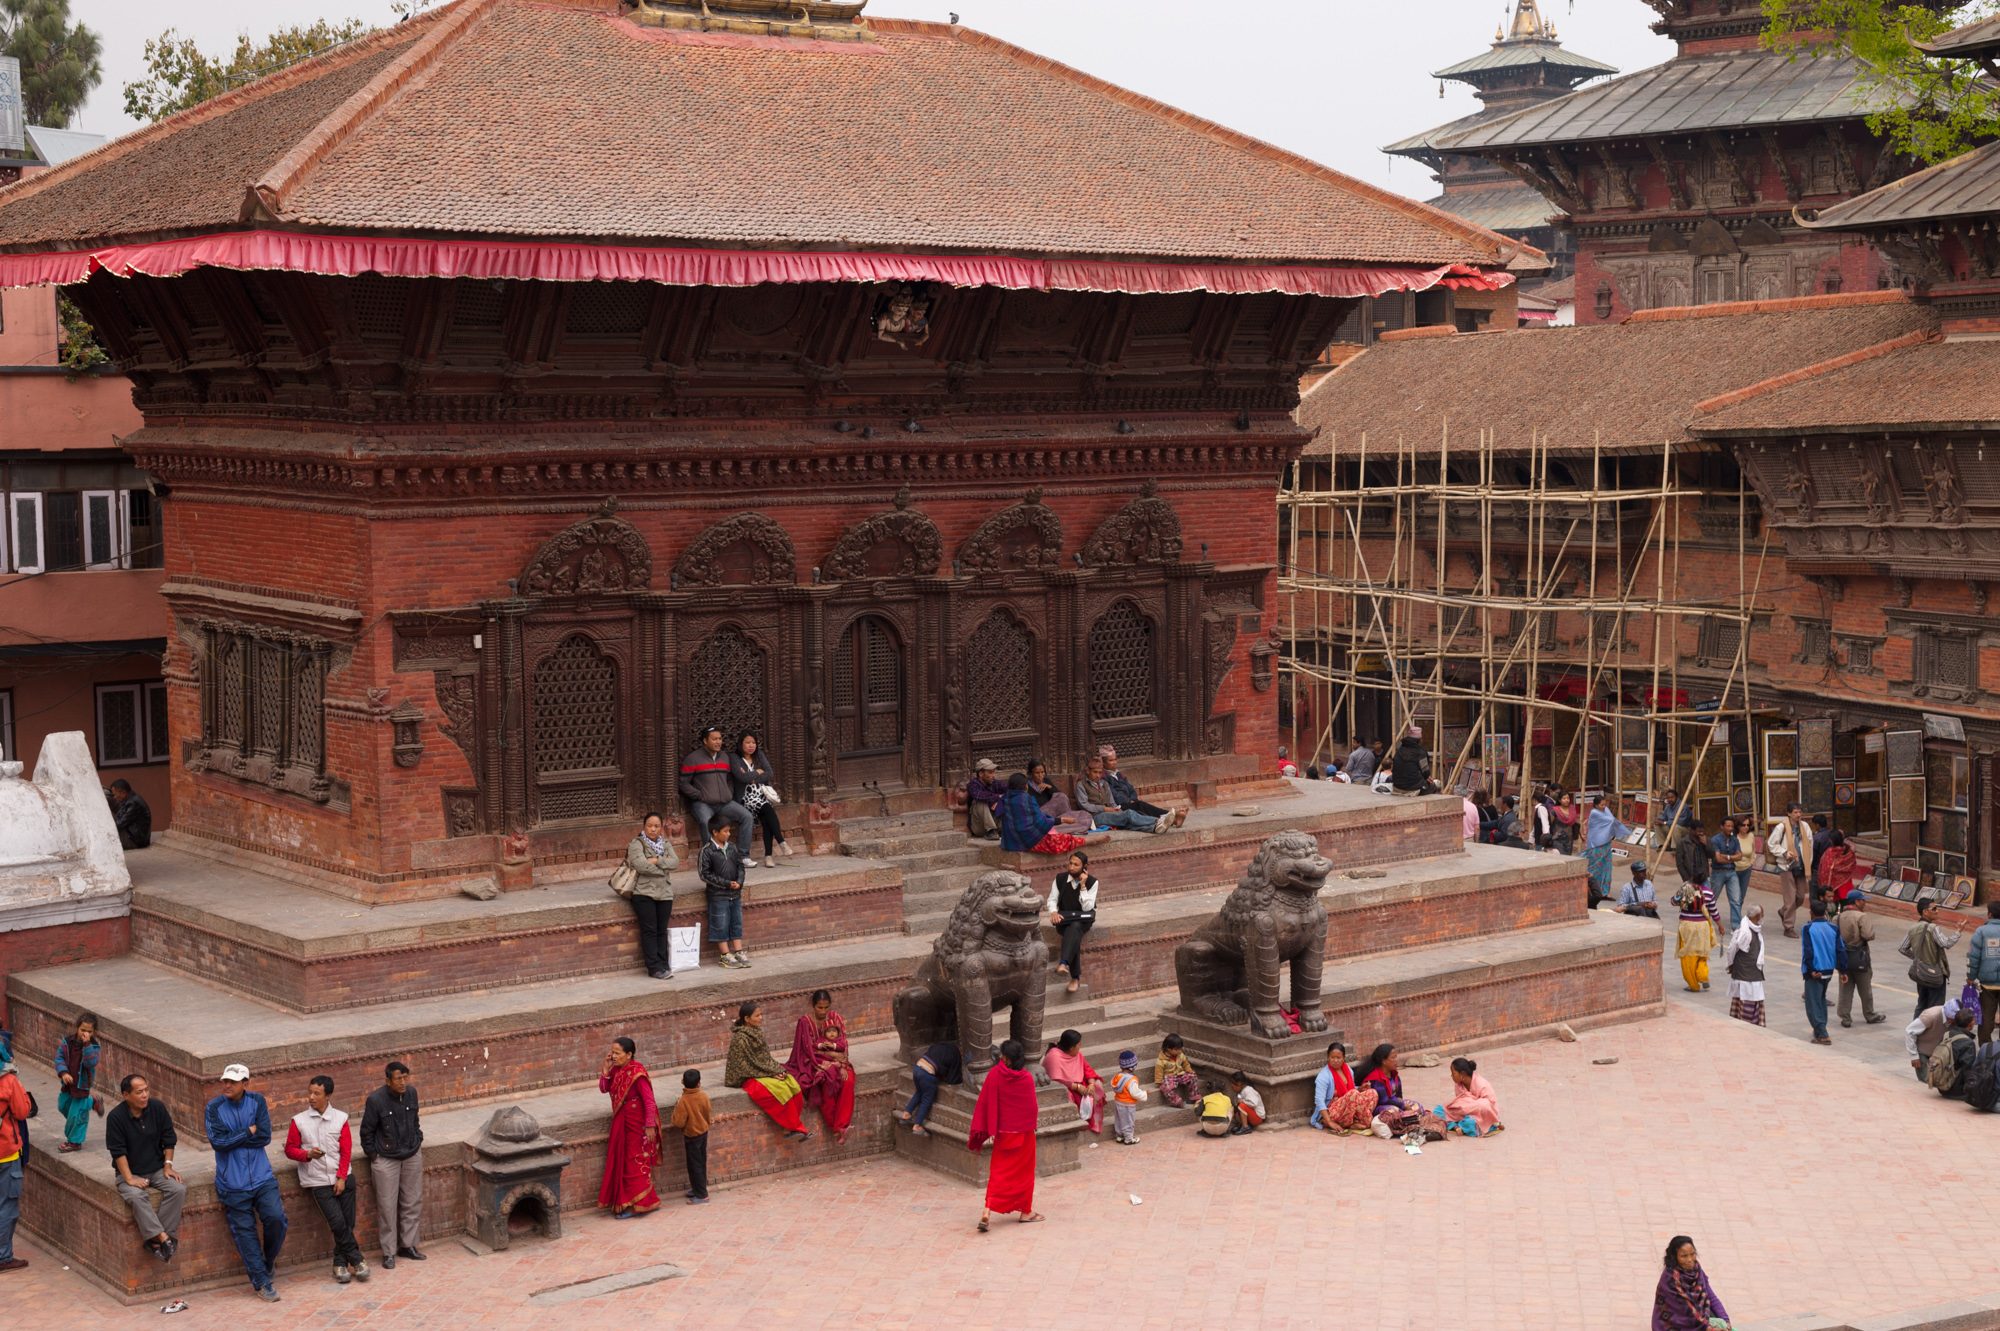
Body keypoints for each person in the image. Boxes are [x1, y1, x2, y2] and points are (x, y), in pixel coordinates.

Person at [207, 1064, 287, 1302]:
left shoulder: (257, 1101)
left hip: (262, 1177)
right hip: (232, 1183)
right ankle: (262, 1281)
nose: (227, 1085)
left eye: (233, 1082)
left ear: (245, 1083)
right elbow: (218, 1143)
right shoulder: (214, 1107)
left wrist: (240, 1136)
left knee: (276, 1219)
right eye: (225, 1081)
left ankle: (267, 1262)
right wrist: (248, 1131)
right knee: (245, 1234)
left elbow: (264, 1136)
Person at [285, 1074, 367, 1284]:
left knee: (348, 1223)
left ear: (328, 1095)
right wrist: (307, 1155)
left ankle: (339, 1265)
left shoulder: (341, 1118)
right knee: (338, 1223)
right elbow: (290, 1150)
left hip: (343, 1178)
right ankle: (357, 1260)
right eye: (310, 1092)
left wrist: (341, 1177)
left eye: (317, 1093)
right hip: (318, 1181)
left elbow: (346, 1152)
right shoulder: (299, 1121)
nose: (311, 1097)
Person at [105, 1073, 184, 1264]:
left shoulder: (157, 1108)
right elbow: (118, 1151)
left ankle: (156, 1240)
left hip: (156, 1168)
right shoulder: (116, 1117)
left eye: (147, 1090)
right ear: (126, 1095)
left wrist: (168, 1165)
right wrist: (130, 1178)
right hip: (129, 1172)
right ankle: (164, 1238)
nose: (145, 1095)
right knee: (136, 1196)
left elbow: (169, 1138)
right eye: (139, 1092)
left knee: (178, 1189)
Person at [968, 1039, 1042, 1229]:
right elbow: (1031, 1107)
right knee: (1024, 1173)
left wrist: (990, 1128)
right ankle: (1026, 1211)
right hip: (1024, 1133)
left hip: (1003, 1133)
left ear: (1007, 1059)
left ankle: (987, 1209)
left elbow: (986, 1101)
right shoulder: (1025, 1078)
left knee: (999, 1172)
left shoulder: (995, 1074)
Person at [360, 1060, 424, 1268]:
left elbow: (415, 1121)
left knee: (412, 1202)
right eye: (399, 1078)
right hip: (386, 1158)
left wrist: (418, 1138)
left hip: (411, 1154)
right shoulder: (376, 1100)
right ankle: (389, 1252)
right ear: (388, 1080)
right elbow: (366, 1132)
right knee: (387, 1207)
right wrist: (374, 1156)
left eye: (406, 1077)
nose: (403, 1082)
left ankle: (409, 1245)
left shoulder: (412, 1093)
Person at [724, 1001, 809, 1142]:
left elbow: (764, 1058)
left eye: (761, 1014)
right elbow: (745, 1065)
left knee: (791, 1082)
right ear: (747, 1019)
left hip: (760, 1071)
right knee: (779, 1089)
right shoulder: (740, 1038)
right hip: (746, 1075)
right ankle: (793, 1127)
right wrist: (771, 1073)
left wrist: (777, 1071)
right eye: (757, 1015)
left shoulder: (757, 1032)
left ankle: (791, 1126)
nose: (761, 1018)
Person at [596, 1036, 661, 1218]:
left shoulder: (637, 1072)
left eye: (617, 1053)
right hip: (620, 1121)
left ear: (629, 1054)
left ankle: (638, 1203)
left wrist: (649, 1125)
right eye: (612, 1053)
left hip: (636, 1123)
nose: (614, 1056)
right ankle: (624, 1201)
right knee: (620, 1160)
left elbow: (649, 1101)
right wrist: (605, 1070)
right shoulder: (616, 1070)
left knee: (635, 1161)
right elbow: (604, 1088)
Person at [784, 990, 855, 1144]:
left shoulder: (835, 1018)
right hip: (815, 1063)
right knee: (826, 1084)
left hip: (838, 1061)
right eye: (819, 1008)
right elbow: (806, 1050)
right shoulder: (805, 1022)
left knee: (848, 1081)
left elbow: (844, 1044)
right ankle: (836, 1127)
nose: (823, 1011)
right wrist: (826, 1061)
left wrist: (841, 1064)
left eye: (826, 1008)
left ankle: (841, 1125)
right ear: (813, 1005)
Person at [678, 725, 752, 846]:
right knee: (705, 821)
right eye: (714, 739)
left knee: (747, 817)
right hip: (703, 803)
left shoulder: (725, 757)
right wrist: (699, 795)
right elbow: (683, 783)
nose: (718, 742)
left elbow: (729, 778)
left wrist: (728, 792)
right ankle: (711, 856)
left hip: (725, 803)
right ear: (705, 741)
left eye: (720, 739)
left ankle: (743, 855)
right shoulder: (693, 759)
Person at [1351, 1043, 1444, 1139]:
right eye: (1393, 1058)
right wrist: (1402, 1105)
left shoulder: (1394, 1075)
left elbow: (1399, 1096)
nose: (1396, 1060)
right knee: (1396, 1111)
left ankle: (1412, 1122)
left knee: (1417, 1106)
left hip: (1395, 1103)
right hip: (1379, 1107)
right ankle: (1409, 1125)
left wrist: (1404, 1104)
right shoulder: (1375, 1078)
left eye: (1396, 1057)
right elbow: (1384, 1100)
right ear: (1384, 1061)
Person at [625, 812, 677, 981]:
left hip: (665, 894)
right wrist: (663, 867)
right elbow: (641, 866)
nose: (653, 829)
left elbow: (675, 862)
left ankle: (663, 964)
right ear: (644, 826)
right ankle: (653, 967)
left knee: (661, 930)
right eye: (650, 826)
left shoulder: (665, 843)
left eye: (656, 826)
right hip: (644, 893)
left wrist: (656, 860)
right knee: (650, 930)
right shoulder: (636, 844)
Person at [999, 772, 1102, 856]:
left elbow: (1000, 814)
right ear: (1025, 786)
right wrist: (1061, 821)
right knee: (1059, 840)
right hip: (1028, 841)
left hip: (1010, 842)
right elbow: (1040, 821)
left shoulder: (1005, 799)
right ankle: (1087, 841)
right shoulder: (1027, 799)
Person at [730, 731, 791, 867]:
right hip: (745, 797)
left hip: (761, 794)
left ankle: (769, 856)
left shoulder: (759, 755)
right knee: (767, 809)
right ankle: (781, 841)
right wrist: (757, 771)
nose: (751, 746)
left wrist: (751, 776)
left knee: (767, 820)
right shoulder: (734, 758)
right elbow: (741, 778)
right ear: (740, 744)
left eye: (753, 743)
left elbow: (769, 773)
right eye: (747, 742)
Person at [698, 819, 751, 969]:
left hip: (735, 893)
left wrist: (739, 881)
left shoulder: (732, 848)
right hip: (718, 895)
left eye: (729, 831)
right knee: (720, 923)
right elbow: (704, 874)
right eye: (725, 831)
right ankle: (725, 954)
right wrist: (726, 883)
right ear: (715, 832)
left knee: (736, 922)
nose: (729, 834)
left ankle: (738, 950)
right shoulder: (707, 850)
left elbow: (740, 866)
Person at [1074, 755, 1169, 834]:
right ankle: (1157, 821)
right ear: (1088, 771)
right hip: (1095, 817)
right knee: (1128, 814)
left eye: (1100, 773)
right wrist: (1104, 808)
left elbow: (1111, 802)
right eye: (1095, 772)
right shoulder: (1081, 785)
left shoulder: (1104, 784)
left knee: (1127, 822)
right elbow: (1084, 805)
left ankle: (1153, 828)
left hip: (1109, 812)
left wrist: (1116, 809)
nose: (1098, 775)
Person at [1047, 852, 1099, 995]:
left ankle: (1065, 964)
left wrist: (1083, 886)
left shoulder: (1093, 882)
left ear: (1085, 867)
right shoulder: (1060, 879)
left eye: (1076, 864)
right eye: (1070, 863)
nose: (1071, 867)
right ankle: (1073, 976)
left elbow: (1088, 908)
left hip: (1083, 920)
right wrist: (1053, 912)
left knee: (1075, 928)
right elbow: (1052, 899)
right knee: (1073, 931)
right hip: (1064, 919)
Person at [1652, 1235, 1729, 1331]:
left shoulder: (1696, 1270)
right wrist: (1709, 1329)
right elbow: (1687, 1312)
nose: (1689, 1260)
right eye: (1684, 1256)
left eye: (1692, 1254)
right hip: (1676, 1323)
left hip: (1698, 1318)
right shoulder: (1671, 1279)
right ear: (1674, 1257)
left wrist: (1726, 1320)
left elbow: (1710, 1296)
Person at [0, 1032, 30, 1275]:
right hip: (6, 1152)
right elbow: (21, 1111)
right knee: (7, 1206)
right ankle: (3, 1257)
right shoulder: (8, 1081)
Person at [1902, 897, 1961, 1017]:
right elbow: (1946, 943)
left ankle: (1915, 1030)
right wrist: (1958, 932)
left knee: (1921, 1004)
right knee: (1936, 1007)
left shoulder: (1913, 928)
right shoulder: (1933, 928)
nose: (1937, 911)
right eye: (1934, 908)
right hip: (1935, 973)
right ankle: (1931, 1032)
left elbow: (1903, 948)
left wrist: (1917, 958)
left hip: (1921, 972)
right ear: (1925, 911)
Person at [1101, 746, 1186, 829]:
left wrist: (1133, 799)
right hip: (1120, 805)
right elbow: (1113, 794)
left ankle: (1174, 819)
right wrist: (1128, 801)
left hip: (1130, 801)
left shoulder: (1118, 774)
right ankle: (1174, 815)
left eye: (1115, 759)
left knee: (1142, 807)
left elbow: (1131, 788)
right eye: (1111, 760)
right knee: (1141, 806)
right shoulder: (1103, 777)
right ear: (1103, 762)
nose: (1114, 762)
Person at [1800, 900, 1846, 1046]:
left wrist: (1812, 970)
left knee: (1813, 1003)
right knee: (1821, 1000)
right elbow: (1840, 950)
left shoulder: (1808, 928)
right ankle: (1820, 1029)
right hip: (1828, 971)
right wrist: (1843, 970)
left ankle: (1822, 1034)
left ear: (1811, 912)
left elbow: (1808, 951)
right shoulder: (1833, 928)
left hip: (1815, 971)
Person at [54, 1011, 101, 1153]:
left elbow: (90, 1062)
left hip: (82, 1086)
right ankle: (92, 1102)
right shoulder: (67, 1042)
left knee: (77, 1115)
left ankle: (75, 1141)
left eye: (89, 1031)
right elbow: (59, 1058)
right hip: (68, 1085)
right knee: (63, 1106)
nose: (85, 1034)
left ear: (94, 1032)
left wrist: (87, 1044)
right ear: (77, 1028)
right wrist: (63, 1072)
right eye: (82, 1030)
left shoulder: (94, 1047)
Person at [1836, 893, 1885, 1029]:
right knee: (1865, 988)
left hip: (1843, 958)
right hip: (1860, 958)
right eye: (1863, 901)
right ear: (1857, 902)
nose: (1865, 903)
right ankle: (1869, 1014)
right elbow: (1868, 935)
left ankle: (1845, 1017)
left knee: (1845, 988)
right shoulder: (1862, 917)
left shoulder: (1838, 917)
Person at [1765, 802, 1815, 938]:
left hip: (1801, 866)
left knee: (1800, 896)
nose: (1798, 815)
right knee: (1790, 898)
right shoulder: (1781, 827)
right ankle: (1788, 927)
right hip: (1786, 866)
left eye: (1800, 812)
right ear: (1789, 813)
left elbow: (1810, 845)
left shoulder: (1805, 826)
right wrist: (1785, 852)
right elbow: (1771, 844)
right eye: (1795, 812)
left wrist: (1807, 863)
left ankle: (1783, 911)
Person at [1041, 1029, 1104, 1134]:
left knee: (1098, 1087)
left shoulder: (1076, 1054)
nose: (1080, 1047)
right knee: (1068, 1097)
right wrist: (1077, 1087)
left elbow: (1087, 1069)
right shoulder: (1054, 1056)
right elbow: (1056, 1080)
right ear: (1071, 1048)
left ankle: (1095, 1123)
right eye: (1078, 1045)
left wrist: (1091, 1084)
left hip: (1079, 1082)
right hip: (1065, 1087)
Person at [895, 1041, 963, 1136]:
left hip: (917, 1068)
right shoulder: (955, 1054)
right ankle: (917, 1125)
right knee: (927, 1099)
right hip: (927, 1074)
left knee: (919, 1092)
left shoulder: (941, 1045)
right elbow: (953, 1077)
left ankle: (906, 1114)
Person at [668, 1069, 711, 1205]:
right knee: (700, 1162)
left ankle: (702, 1195)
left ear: (683, 1083)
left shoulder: (683, 1101)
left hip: (692, 1136)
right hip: (703, 1132)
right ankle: (698, 1188)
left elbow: (677, 1122)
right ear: (699, 1083)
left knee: (694, 1165)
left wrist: (676, 1107)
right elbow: (708, 1113)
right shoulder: (704, 1096)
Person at [1672, 872, 1719, 994]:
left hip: (1687, 926)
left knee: (1688, 955)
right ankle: (1703, 976)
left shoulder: (1685, 889)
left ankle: (1693, 985)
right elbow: (1713, 911)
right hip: (1703, 926)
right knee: (1702, 953)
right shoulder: (1708, 892)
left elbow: (1673, 901)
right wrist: (1720, 925)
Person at [1722, 905, 1767, 1027]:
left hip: (1754, 974)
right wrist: (1731, 965)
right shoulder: (1743, 932)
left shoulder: (1755, 929)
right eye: (1761, 915)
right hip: (1744, 974)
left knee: (1752, 1001)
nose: (1762, 917)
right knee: (1745, 1002)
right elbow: (1731, 949)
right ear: (1757, 916)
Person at [1906, 999, 1971, 1083]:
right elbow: (1909, 1032)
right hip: (1924, 1052)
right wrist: (1914, 1056)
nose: (1952, 1023)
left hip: (1940, 1053)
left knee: (1941, 1082)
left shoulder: (1958, 1018)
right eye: (1950, 1020)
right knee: (1928, 1080)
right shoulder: (1930, 1016)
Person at [1024, 759, 1094, 834]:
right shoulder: (1027, 786)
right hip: (1040, 817)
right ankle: (1054, 828)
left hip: (1056, 816)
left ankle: (1055, 828)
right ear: (1031, 773)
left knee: (1085, 816)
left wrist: (1049, 787)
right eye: (1037, 773)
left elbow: (1060, 798)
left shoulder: (1046, 781)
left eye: (1042, 772)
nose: (1040, 775)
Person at [1436, 1057, 1501, 1137]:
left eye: (1453, 1073)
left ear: (1462, 1074)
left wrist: (1472, 1105)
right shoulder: (1458, 1085)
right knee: (1439, 1110)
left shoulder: (1482, 1084)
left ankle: (1457, 1125)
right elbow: (1461, 1103)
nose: (1451, 1076)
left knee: (1470, 1122)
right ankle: (1456, 1126)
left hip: (1482, 1115)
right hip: (1465, 1112)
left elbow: (1489, 1107)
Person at [1584, 797, 1630, 909]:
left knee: (1607, 868)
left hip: (1606, 843)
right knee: (1594, 868)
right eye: (1601, 805)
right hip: (1596, 844)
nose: (1604, 807)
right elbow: (1611, 820)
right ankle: (1590, 889)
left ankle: (1605, 892)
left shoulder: (1605, 811)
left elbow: (1611, 819)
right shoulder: (1594, 813)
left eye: (1605, 804)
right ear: (1595, 805)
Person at [1965, 901, 2000, 1045]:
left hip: (1988, 984)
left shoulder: (1981, 931)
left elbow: (1973, 957)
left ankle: (1986, 1049)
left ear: (1990, 914)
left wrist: (1970, 977)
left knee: (1986, 1018)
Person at [1707, 816, 1744, 933]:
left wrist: (1727, 857)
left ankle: (1736, 926)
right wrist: (1733, 858)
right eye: (1728, 826)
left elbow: (1740, 856)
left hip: (1731, 872)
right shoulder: (1715, 840)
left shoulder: (1735, 840)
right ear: (1722, 827)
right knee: (1711, 898)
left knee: (1736, 900)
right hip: (1718, 872)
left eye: (1732, 826)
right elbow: (1717, 859)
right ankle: (1704, 922)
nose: (1730, 828)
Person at [1310, 1042, 1355, 1133]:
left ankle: (1351, 1122)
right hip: (1331, 1111)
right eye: (1332, 1057)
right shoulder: (1323, 1076)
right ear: (1328, 1058)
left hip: (1348, 1107)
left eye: (1338, 1058)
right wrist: (1329, 1121)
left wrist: (1361, 1088)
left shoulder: (1348, 1070)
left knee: (1372, 1093)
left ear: (1343, 1058)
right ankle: (1349, 1123)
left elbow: (1351, 1090)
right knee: (1354, 1094)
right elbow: (1319, 1100)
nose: (1335, 1060)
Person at [1110, 1050, 1147, 1145]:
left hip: (1118, 1102)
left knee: (1119, 1119)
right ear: (1132, 1067)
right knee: (1128, 1121)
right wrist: (1144, 1094)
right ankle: (1129, 1138)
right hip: (1128, 1104)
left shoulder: (1117, 1077)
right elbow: (1135, 1093)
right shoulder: (1131, 1080)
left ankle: (1119, 1136)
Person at [1815, 829, 1859, 908]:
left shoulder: (1829, 852)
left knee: (1834, 906)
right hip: (1844, 882)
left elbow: (1825, 868)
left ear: (1832, 840)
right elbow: (1852, 863)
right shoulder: (1848, 851)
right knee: (1845, 904)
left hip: (1834, 885)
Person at [966, 758, 1008, 839]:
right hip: (979, 827)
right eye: (990, 772)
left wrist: (1000, 799)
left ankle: (1002, 829)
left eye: (993, 772)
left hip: (996, 823)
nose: (993, 775)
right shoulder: (973, 784)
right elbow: (979, 795)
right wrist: (997, 797)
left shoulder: (994, 783)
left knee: (1008, 799)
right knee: (980, 802)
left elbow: (1011, 790)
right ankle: (991, 831)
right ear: (981, 773)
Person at [1154, 1033, 1200, 1109]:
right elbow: (1158, 1072)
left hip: (1180, 1074)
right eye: (1176, 1049)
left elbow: (1186, 1064)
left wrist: (1189, 1071)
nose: (1179, 1051)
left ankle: (1194, 1097)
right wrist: (1159, 1082)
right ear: (1168, 1048)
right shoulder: (1161, 1061)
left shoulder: (1180, 1055)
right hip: (1170, 1077)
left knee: (1193, 1076)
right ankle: (1176, 1101)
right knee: (1165, 1087)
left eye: (1180, 1049)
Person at [108, 778, 151, 850]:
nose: (115, 797)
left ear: (123, 792)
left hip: (134, 841)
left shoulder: (133, 803)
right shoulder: (130, 799)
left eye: (116, 794)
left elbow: (120, 824)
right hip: (132, 835)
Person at [1389, 725, 1432, 794]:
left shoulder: (1400, 750)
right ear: (1419, 740)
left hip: (1397, 786)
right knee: (1434, 785)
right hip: (1413, 787)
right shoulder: (1420, 752)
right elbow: (1426, 773)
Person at [1551, 789, 1579, 855]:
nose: (1566, 800)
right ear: (1559, 800)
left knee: (1568, 857)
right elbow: (1550, 823)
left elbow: (1575, 821)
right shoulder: (1554, 811)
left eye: (1568, 798)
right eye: (1564, 798)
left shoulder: (1572, 809)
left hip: (1569, 838)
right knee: (1560, 857)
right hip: (1557, 839)